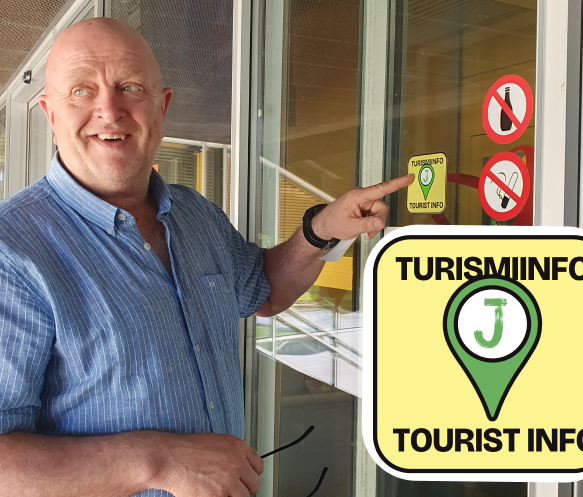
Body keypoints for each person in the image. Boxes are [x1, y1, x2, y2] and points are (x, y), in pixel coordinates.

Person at [0, 18, 412, 497]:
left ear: (162, 106)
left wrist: (321, 230)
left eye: (130, 87)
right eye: (81, 91)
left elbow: (262, 290)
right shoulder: (12, 251)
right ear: (50, 114)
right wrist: (161, 461)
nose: (108, 110)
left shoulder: (194, 214)